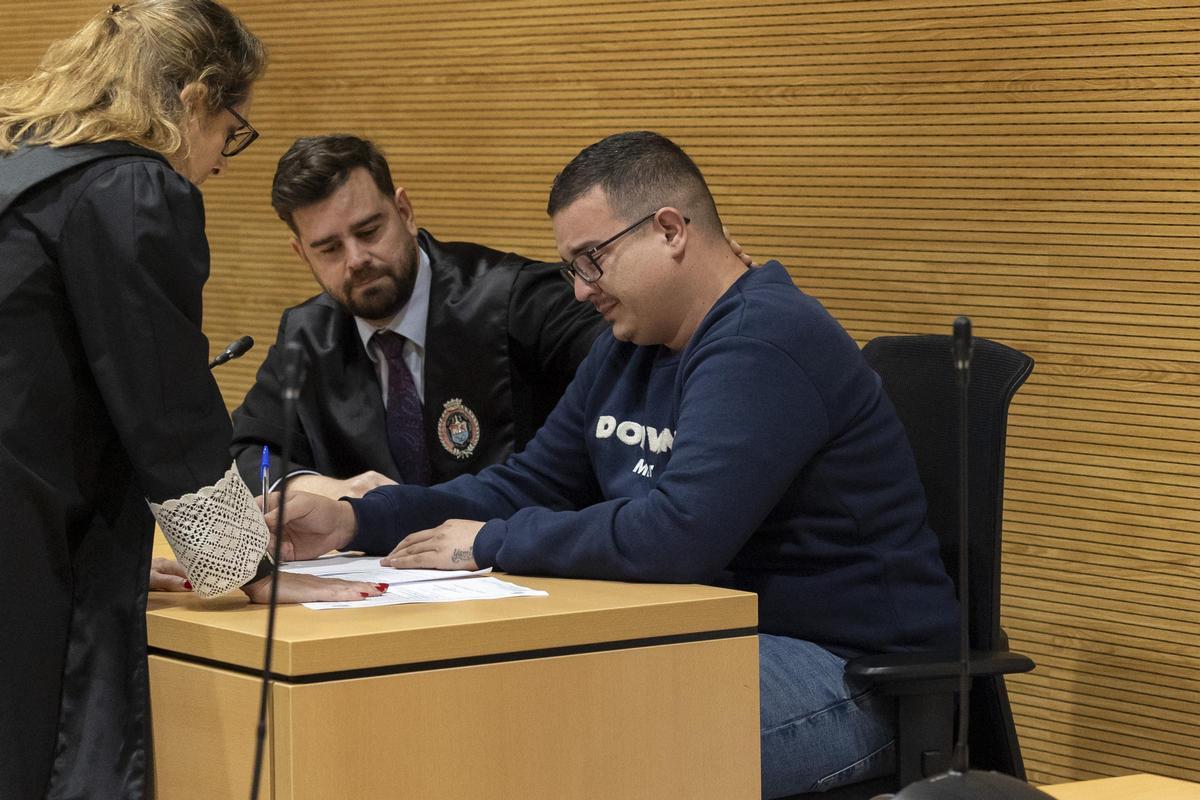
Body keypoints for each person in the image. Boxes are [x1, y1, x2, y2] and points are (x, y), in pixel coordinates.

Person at [267, 131, 960, 797]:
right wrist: (352, 520)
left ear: (669, 229)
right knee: (495, 713)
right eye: (571, 267)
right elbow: (530, 483)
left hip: (852, 677)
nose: (579, 289)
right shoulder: (632, 343)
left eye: (591, 259)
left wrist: (488, 542)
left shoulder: (763, 341)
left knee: (567, 740)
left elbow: (677, 536)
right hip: (712, 638)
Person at [0, 4, 382, 798]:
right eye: (233, 130)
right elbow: (166, 405)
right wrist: (247, 566)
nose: (223, 160)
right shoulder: (129, 185)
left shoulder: (20, 163)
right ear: (197, 98)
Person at [228, 134, 606, 501]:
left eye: (369, 231)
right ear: (302, 255)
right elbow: (251, 454)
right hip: (371, 561)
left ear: (404, 213)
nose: (357, 259)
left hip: (507, 551)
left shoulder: (517, 300)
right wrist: (327, 490)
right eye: (329, 248)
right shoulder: (307, 335)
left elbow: (626, 378)